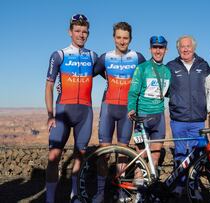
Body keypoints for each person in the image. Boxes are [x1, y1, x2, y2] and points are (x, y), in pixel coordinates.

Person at [45, 14, 97, 203]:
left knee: (80, 155)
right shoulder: (59, 55)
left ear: (88, 34)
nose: (81, 35)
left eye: (84, 32)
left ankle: (75, 194)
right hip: (63, 111)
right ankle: (49, 197)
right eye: (77, 31)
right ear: (70, 32)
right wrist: (50, 114)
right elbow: (49, 85)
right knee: (54, 155)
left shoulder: (93, 56)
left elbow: (110, 74)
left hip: (85, 111)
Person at [91, 22, 146, 202]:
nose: (122, 41)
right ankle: (100, 192)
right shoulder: (105, 57)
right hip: (109, 106)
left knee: (123, 151)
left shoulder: (137, 57)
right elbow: (91, 72)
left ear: (130, 39)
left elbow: (147, 75)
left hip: (127, 110)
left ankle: (121, 189)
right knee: (104, 151)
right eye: (119, 37)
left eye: (126, 38)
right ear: (114, 38)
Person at [166, 35, 210, 195]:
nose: (185, 49)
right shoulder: (171, 66)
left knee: (196, 156)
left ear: (194, 48)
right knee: (179, 154)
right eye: (182, 47)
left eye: (188, 46)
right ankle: (178, 188)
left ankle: (194, 187)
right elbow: (164, 89)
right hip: (178, 119)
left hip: (198, 120)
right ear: (178, 49)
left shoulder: (203, 65)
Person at [127, 35, 171, 182]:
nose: (158, 51)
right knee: (141, 156)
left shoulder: (167, 71)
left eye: (161, 48)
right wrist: (131, 108)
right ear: (150, 49)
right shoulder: (142, 68)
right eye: (155, 47)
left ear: (166, 50)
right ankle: (139, 191)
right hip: (143, 117)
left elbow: (169, 93)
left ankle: (150, 190)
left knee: (155, 156)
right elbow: (133, 91)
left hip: (159, 117)